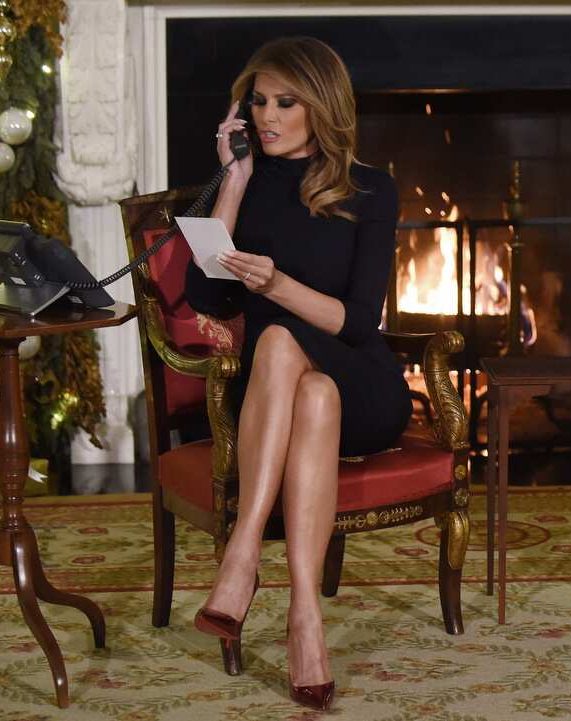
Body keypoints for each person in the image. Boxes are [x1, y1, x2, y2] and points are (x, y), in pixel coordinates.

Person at [185, 36, 410, 711]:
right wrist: (233, 183)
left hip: (364, 381)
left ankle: (242, 554)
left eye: (285, 101)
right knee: (305, 387)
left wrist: (277, 284)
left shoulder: (372, 189)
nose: (267, 115)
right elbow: (208, 301)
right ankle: (305, 619)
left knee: (282, 340)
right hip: (287, 395)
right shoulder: (250, 183)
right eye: (257, 101)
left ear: (321, 105)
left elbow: (358, 322)